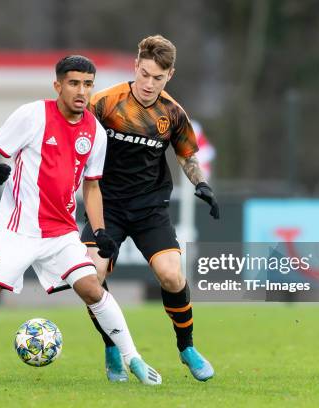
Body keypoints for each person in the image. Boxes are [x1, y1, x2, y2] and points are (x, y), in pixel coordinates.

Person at [0, 55, 161, 386]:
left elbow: (92, 186)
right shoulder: (32, 115)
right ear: (58, 85)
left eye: (88, 84)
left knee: (93, 288)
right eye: (74, 83)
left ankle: (134, 360)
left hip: (61, 233)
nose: (81, 91)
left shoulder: (95, 132)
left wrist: (99, 230)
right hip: (18, 228)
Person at [81, 35, 219, 383]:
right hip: (107, 205)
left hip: (149, 207)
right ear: (135, 67)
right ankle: (112, 345)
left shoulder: (172, 113)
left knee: (172, 274)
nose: (148, 83)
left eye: (158, 77)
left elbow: (187, 155)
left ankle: (186, 348)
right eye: (144, 74)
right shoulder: (105, 103)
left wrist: (201, 184)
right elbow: (77, 142)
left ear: (170, 75)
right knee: (91, 276)